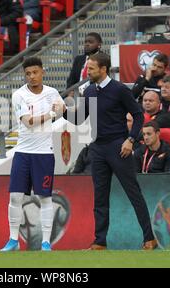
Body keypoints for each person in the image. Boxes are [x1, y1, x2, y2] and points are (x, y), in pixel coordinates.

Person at [64, 52, 157, 250]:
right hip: (97, 147)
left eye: (91, 68)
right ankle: (100, 242)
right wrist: (62, 112)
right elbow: (80, 118)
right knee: (100, 196)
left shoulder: (119, 90)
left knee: (134, 193)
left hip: (118, 146)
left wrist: (130, 140)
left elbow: (138, 115)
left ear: (103, 69)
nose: (87, 72)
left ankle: (149, 238)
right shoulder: (88, 91)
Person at [0, 57, 65, 252]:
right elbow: (28, 122)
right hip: (23, 152)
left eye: (35, 72)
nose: (32, 77)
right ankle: (13, 240)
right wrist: (53, 114)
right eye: (28, 73)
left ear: (42, 72)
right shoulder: (19, 95)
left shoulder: (52, 92)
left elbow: (64, 110)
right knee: (15, 197)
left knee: (45, 198)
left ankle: (46, 242)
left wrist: (61, 109)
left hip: (44, 153)